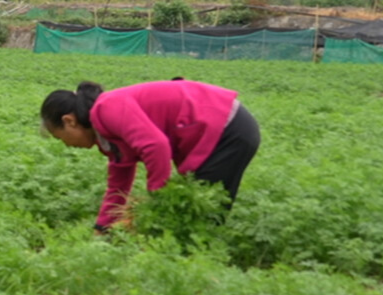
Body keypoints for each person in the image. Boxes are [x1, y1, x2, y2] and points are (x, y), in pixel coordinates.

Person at [41, 78, 260, 231]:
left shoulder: (107, 109)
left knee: (199, 216)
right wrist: (102, 227)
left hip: (226, 128)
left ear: (69, 121)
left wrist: (157, 201)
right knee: (196, 212)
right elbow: (118, 186)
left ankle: (201, 267)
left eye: (60, 138)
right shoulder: (108, 136)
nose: (67, 145)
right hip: (221, 129)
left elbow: (156, 146)